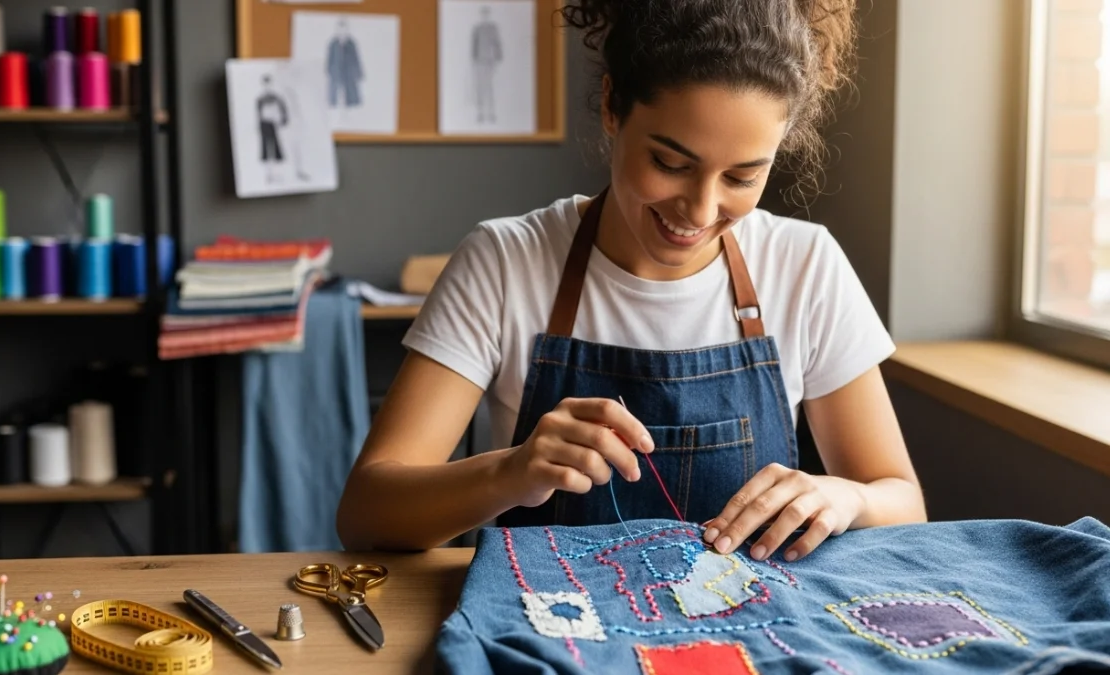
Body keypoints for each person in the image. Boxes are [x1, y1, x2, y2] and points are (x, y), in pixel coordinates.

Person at [337, 0, 927, 563]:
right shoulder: (504, 262)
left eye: (743, 177)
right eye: (671, 163)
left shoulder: (805, 266)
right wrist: (510, 472)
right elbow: (367, 515)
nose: (699, 211)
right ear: (612, 104)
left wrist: (848, 498)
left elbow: (904, 503)